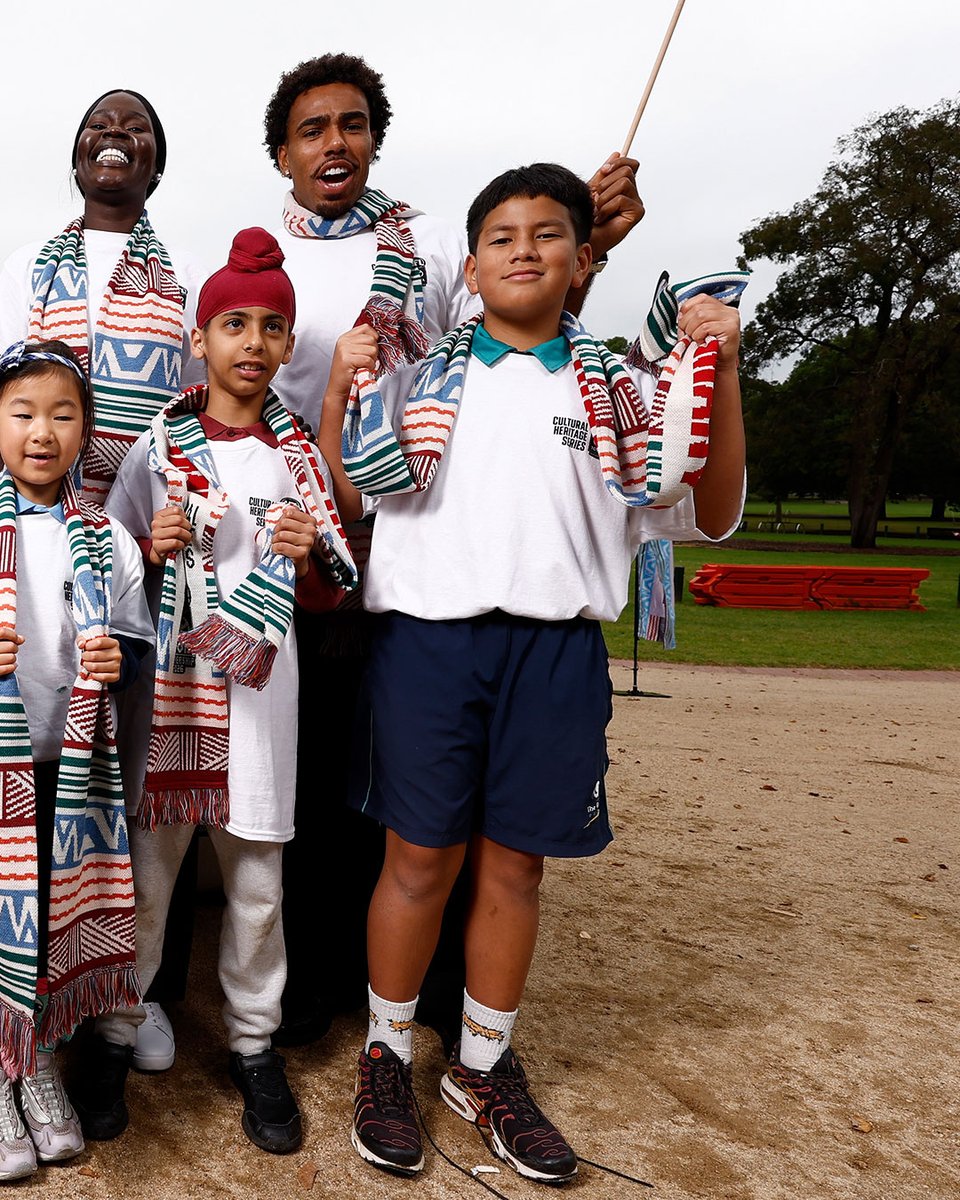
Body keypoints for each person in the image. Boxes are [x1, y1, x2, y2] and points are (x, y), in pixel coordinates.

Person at [317, 163, 746, 1181]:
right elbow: (347, 494)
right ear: (470, 266)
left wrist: (722, 374)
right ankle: (386, 1050)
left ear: (583, 258)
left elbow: (713, 509)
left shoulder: (628, 389)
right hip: (427, 640)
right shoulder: (417, 379)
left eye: (548, 233)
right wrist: (341, 389)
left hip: (554, 648)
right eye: (501, 234)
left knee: (514, 866)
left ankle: (482, 1064)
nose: (523, 247)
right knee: (419, 860)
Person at [262, 52, 647, 1049]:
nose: (333, 142)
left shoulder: (429, 243)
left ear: (375, 138)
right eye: (312, 130)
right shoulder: (266, 255)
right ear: (282, 155)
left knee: (421, 801)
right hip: (300, 543)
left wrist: (589, 246)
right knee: (318, 783)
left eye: (351, 123)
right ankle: (315, 991)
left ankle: (433, 997)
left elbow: (509, 325)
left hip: (417, 532)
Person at [76, 229, 355, 1155]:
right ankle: (116, 1035)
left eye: (271, 327)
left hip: (263, 707)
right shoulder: (158, 443)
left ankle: (252, 1042)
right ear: (200, 339)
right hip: (173, 700)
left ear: (285, 346)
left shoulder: (302, 461)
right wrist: (150, 551)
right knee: (150, 882)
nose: (251, 342)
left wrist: (309, 557)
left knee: (257, 886)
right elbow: (107, 571)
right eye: (232, 322)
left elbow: (336, 586)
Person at [0, 87, 207, 1073]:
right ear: (75, 155)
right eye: (97, 128)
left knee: (133, 802)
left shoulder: (181, 288)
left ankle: (121, 1001)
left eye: (136, 133)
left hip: (141, 568)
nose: (114, 140)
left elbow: (194, 424)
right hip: (29, 557)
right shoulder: (34, 269)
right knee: (31, 801)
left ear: (157, 166)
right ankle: (25, 1029)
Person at [0, 340, 153, 1181]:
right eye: (22, 413)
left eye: (63, 415)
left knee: (57, 919)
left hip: (71, 771)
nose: (41, 432)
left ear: (86, 431)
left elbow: (132, 652)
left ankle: (45, 1063)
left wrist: (116, 665)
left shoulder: (109, 540)